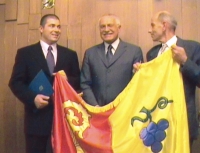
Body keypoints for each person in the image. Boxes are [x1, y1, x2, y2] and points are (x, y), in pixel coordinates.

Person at [9, 14, 80, 153]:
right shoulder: (26, 53)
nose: (56, 30)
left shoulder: (70, 55)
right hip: (36, 122)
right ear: (41, 28)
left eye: (59, 26)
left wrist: (68, 80)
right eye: (52, 26)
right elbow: (15, 82)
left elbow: (78, 81)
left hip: (64, 122)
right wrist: (33, 98)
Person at [136, 11, 200, 150]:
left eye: (153, 25)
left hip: (183, 123)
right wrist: (141, 75)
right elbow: (151, 90)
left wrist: (185, 61)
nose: (149, 30)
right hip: (158, 125)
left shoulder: (192, 48)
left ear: (164, 25)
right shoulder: (152, 54)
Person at [80, 14, 143, 106]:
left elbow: (137, 83)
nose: (106, 29)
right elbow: (85, 84)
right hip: (97, 112)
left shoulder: (134, 51)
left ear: (119, 28)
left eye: (110, 25)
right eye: (102, 27)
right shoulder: (90, 53)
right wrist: (95, 107)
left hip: (124, 111)